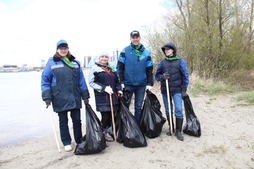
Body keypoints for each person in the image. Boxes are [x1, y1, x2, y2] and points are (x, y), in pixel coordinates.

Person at [41, 39, 90, 151]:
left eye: (65, 48)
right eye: (61, 48)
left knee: (77, 120)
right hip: (59, 97)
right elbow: (45, 81)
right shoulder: (51, 63)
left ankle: (79, 140)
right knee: (63, 121)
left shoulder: (75, 62)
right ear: (57, 50)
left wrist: (85, 96)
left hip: (74, 95)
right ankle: (66, 142)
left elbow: (81, 81)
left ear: (68, 49)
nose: (63, 50)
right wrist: (47, 97)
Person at [117, 30, 154, 123]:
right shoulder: (125, 51)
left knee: (138, 107)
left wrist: (149, 83)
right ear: (130, 39)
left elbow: (149, 69)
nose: (135, 39)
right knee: (126, 106)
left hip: (141, 84)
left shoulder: (146, 52)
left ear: (140, 38)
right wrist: (121, 81)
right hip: (128, 84)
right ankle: (127, 128)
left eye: (137, 37)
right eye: (133, 37)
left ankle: (137, 127)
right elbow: (119, 67)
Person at [155, 42, 189, 141]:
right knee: (167, 109)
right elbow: (156, 76)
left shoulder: (180, 61)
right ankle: (171, 127)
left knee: (178, 109)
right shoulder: (162, 63)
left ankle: (178, 131)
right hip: (165, 90)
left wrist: (184, 90)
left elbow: (185, 76)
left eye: (168, 49)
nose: (166, 51)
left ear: (173, 50)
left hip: (177, 90)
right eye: (165, 50)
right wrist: (162, 77)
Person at [89, 52, 122, 142]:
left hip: (113, 97)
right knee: (105, 116)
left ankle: (111, 131)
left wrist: (119, 89)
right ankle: (103, 132)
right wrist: (104, 88)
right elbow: (92, 83)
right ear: (99, 58)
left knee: (114, 115)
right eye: (102, 57)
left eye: (106, 57)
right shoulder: (95, 69)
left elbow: (117, 81)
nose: (104, 58)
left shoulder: (112, 69)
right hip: (103, 98)